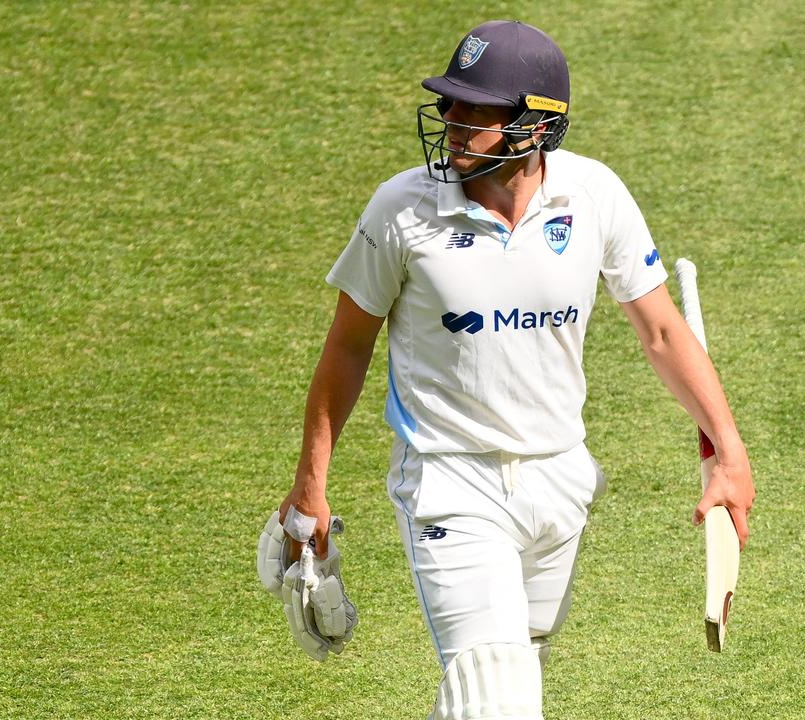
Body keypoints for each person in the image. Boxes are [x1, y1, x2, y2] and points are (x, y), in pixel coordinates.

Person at [264, 20, 755, 720]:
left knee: (501, 685)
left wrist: (730, 452)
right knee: (497, 700)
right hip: (450, 482)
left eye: (476, 111)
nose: (452, 123)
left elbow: (662, 331)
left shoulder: (594, 196)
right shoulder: (402, 211)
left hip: (560, 481)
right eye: (449, 105)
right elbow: (347, 347)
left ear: (537, 126)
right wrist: (310, 487)